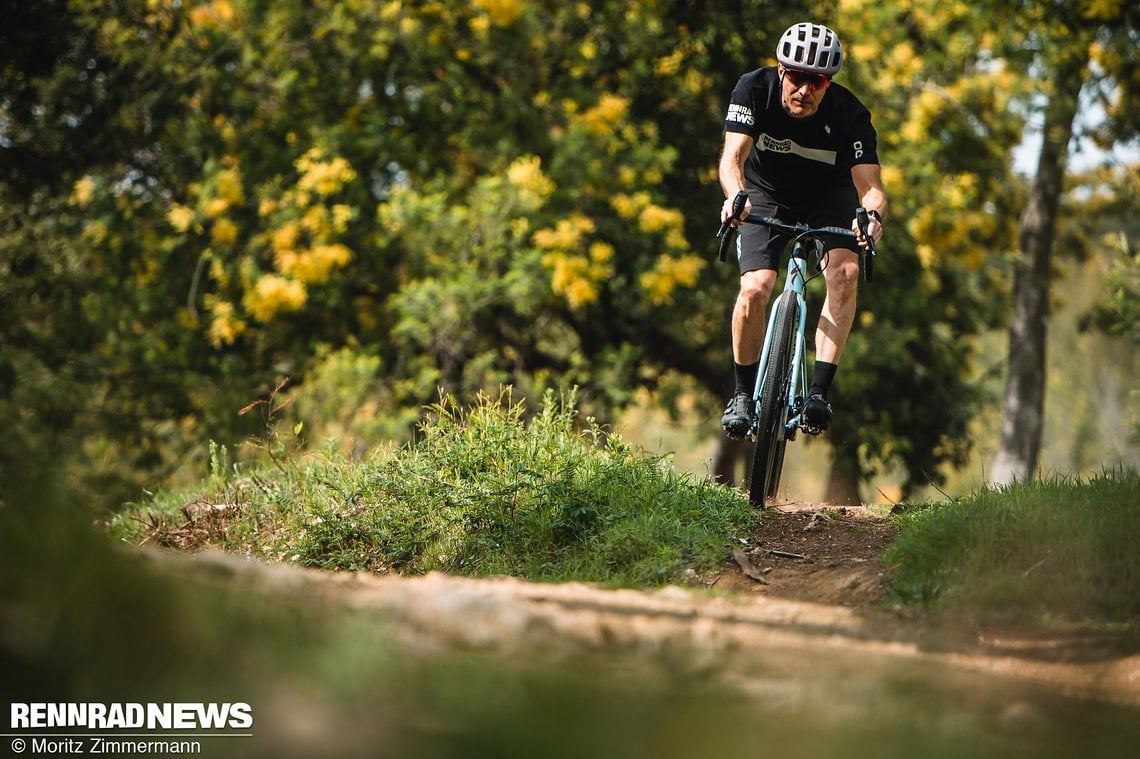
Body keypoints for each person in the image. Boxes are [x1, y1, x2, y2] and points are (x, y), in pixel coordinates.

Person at [718, 21, 886, 438]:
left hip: (829, 199)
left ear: (828, 84)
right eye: (796, 77)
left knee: (844, 273)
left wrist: (873, 217)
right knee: (756, 287)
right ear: (780, 71)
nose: (804, 90)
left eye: (817, 81)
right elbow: (732, 160)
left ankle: (818, 394)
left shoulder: (850, 115)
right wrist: (736, 196)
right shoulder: (753, 89)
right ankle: (741, 395)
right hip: (765, 192)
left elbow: (871, 188)